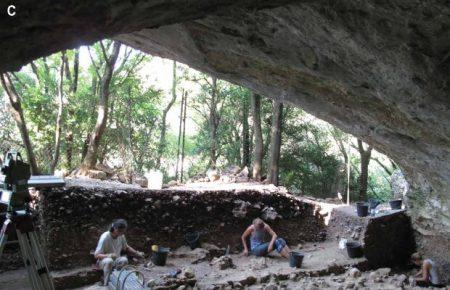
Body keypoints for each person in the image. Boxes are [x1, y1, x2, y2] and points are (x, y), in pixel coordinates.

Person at [94, 219, 144, 285]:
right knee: (109, 261)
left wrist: (137, 253)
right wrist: (109, 255)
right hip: (103, 261)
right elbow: (96, 255)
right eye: (120, 231)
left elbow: (126, 247)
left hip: (116, 259)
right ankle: (106, 283)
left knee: (124, 260)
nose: (122, 233)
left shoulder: (121, 236)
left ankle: (118, 281)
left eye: (123, 231)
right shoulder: (105, 237)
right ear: (114, 228)